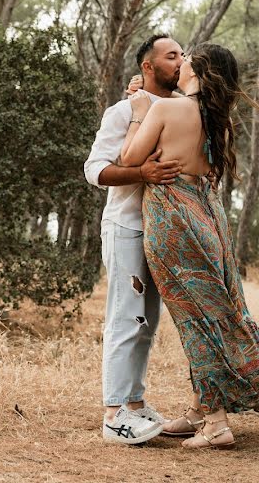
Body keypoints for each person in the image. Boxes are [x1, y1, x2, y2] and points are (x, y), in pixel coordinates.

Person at [119, 42, 259, 449]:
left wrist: (137, 112)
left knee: (194, 318)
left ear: (199, 71)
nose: (180, 63)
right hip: (208, 219)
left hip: (174, 221)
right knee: (215, 310)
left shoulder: (165, 110)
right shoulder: (219, 120)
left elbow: (130, 157)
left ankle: (217, 424)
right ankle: (202, 407)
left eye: (186, 59)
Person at [83, 35, 185, 444]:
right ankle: (113, 415)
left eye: (183, 55)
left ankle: (136, 405)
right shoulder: (122, 111)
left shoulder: (178, 111)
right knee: (126, 317)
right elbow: (96, 170)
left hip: (162, 232)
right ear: (148, 67)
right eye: (172, 56)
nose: (180, 62)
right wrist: (142, 174)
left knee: (148, 321)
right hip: (126, 226)